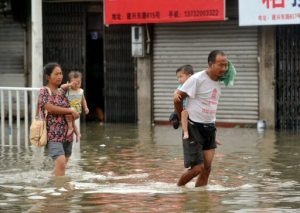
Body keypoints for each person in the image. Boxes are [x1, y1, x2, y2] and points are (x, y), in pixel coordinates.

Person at [174, 50, 228, 187]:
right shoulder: (197, 79)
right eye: (220, 65)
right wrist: (182, 119)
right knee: (198, 168)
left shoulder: (220, 79)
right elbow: (177, 98)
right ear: (210, 64)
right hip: (193, 127)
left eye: (225, 65)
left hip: (209, 127)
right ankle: (178, 190)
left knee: (207, 168)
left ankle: (201, 200)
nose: (224, 69)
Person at [38, 62, 80, 176]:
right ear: (48, 77)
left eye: (61, 73)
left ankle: (56, 188)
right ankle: (59, 191)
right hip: (53, 135)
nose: (60, 76)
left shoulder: (64, 92)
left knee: (61, 167)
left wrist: (75, 114)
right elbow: (50, 108)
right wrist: (70, 110)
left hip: (67, 135)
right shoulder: (44, 91)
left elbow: (73, 111)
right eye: (56, 74)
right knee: (61, 163)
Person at [61, 71, 89, 142]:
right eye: (74, 83)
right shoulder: (68, 89)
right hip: (70, 110)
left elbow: (83, 100)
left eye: (78, 83)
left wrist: (86, 107)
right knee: (73, 122)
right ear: (69, 82)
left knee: (70, 119)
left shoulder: (81, 91)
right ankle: (78, 134)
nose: (76, 85)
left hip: (77, 111)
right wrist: (70, 84)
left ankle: (70, 128)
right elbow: (62, 86)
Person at [173, 65, 194, 139]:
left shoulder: (194, 85)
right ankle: (185, 131)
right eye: (178, 77)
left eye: (181, 76)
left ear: (189, 77)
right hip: (185, 108)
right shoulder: (181, 86)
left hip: (193, 109)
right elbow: (176, 91)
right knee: (183, 113)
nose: (179, 79)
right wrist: (175, 94)